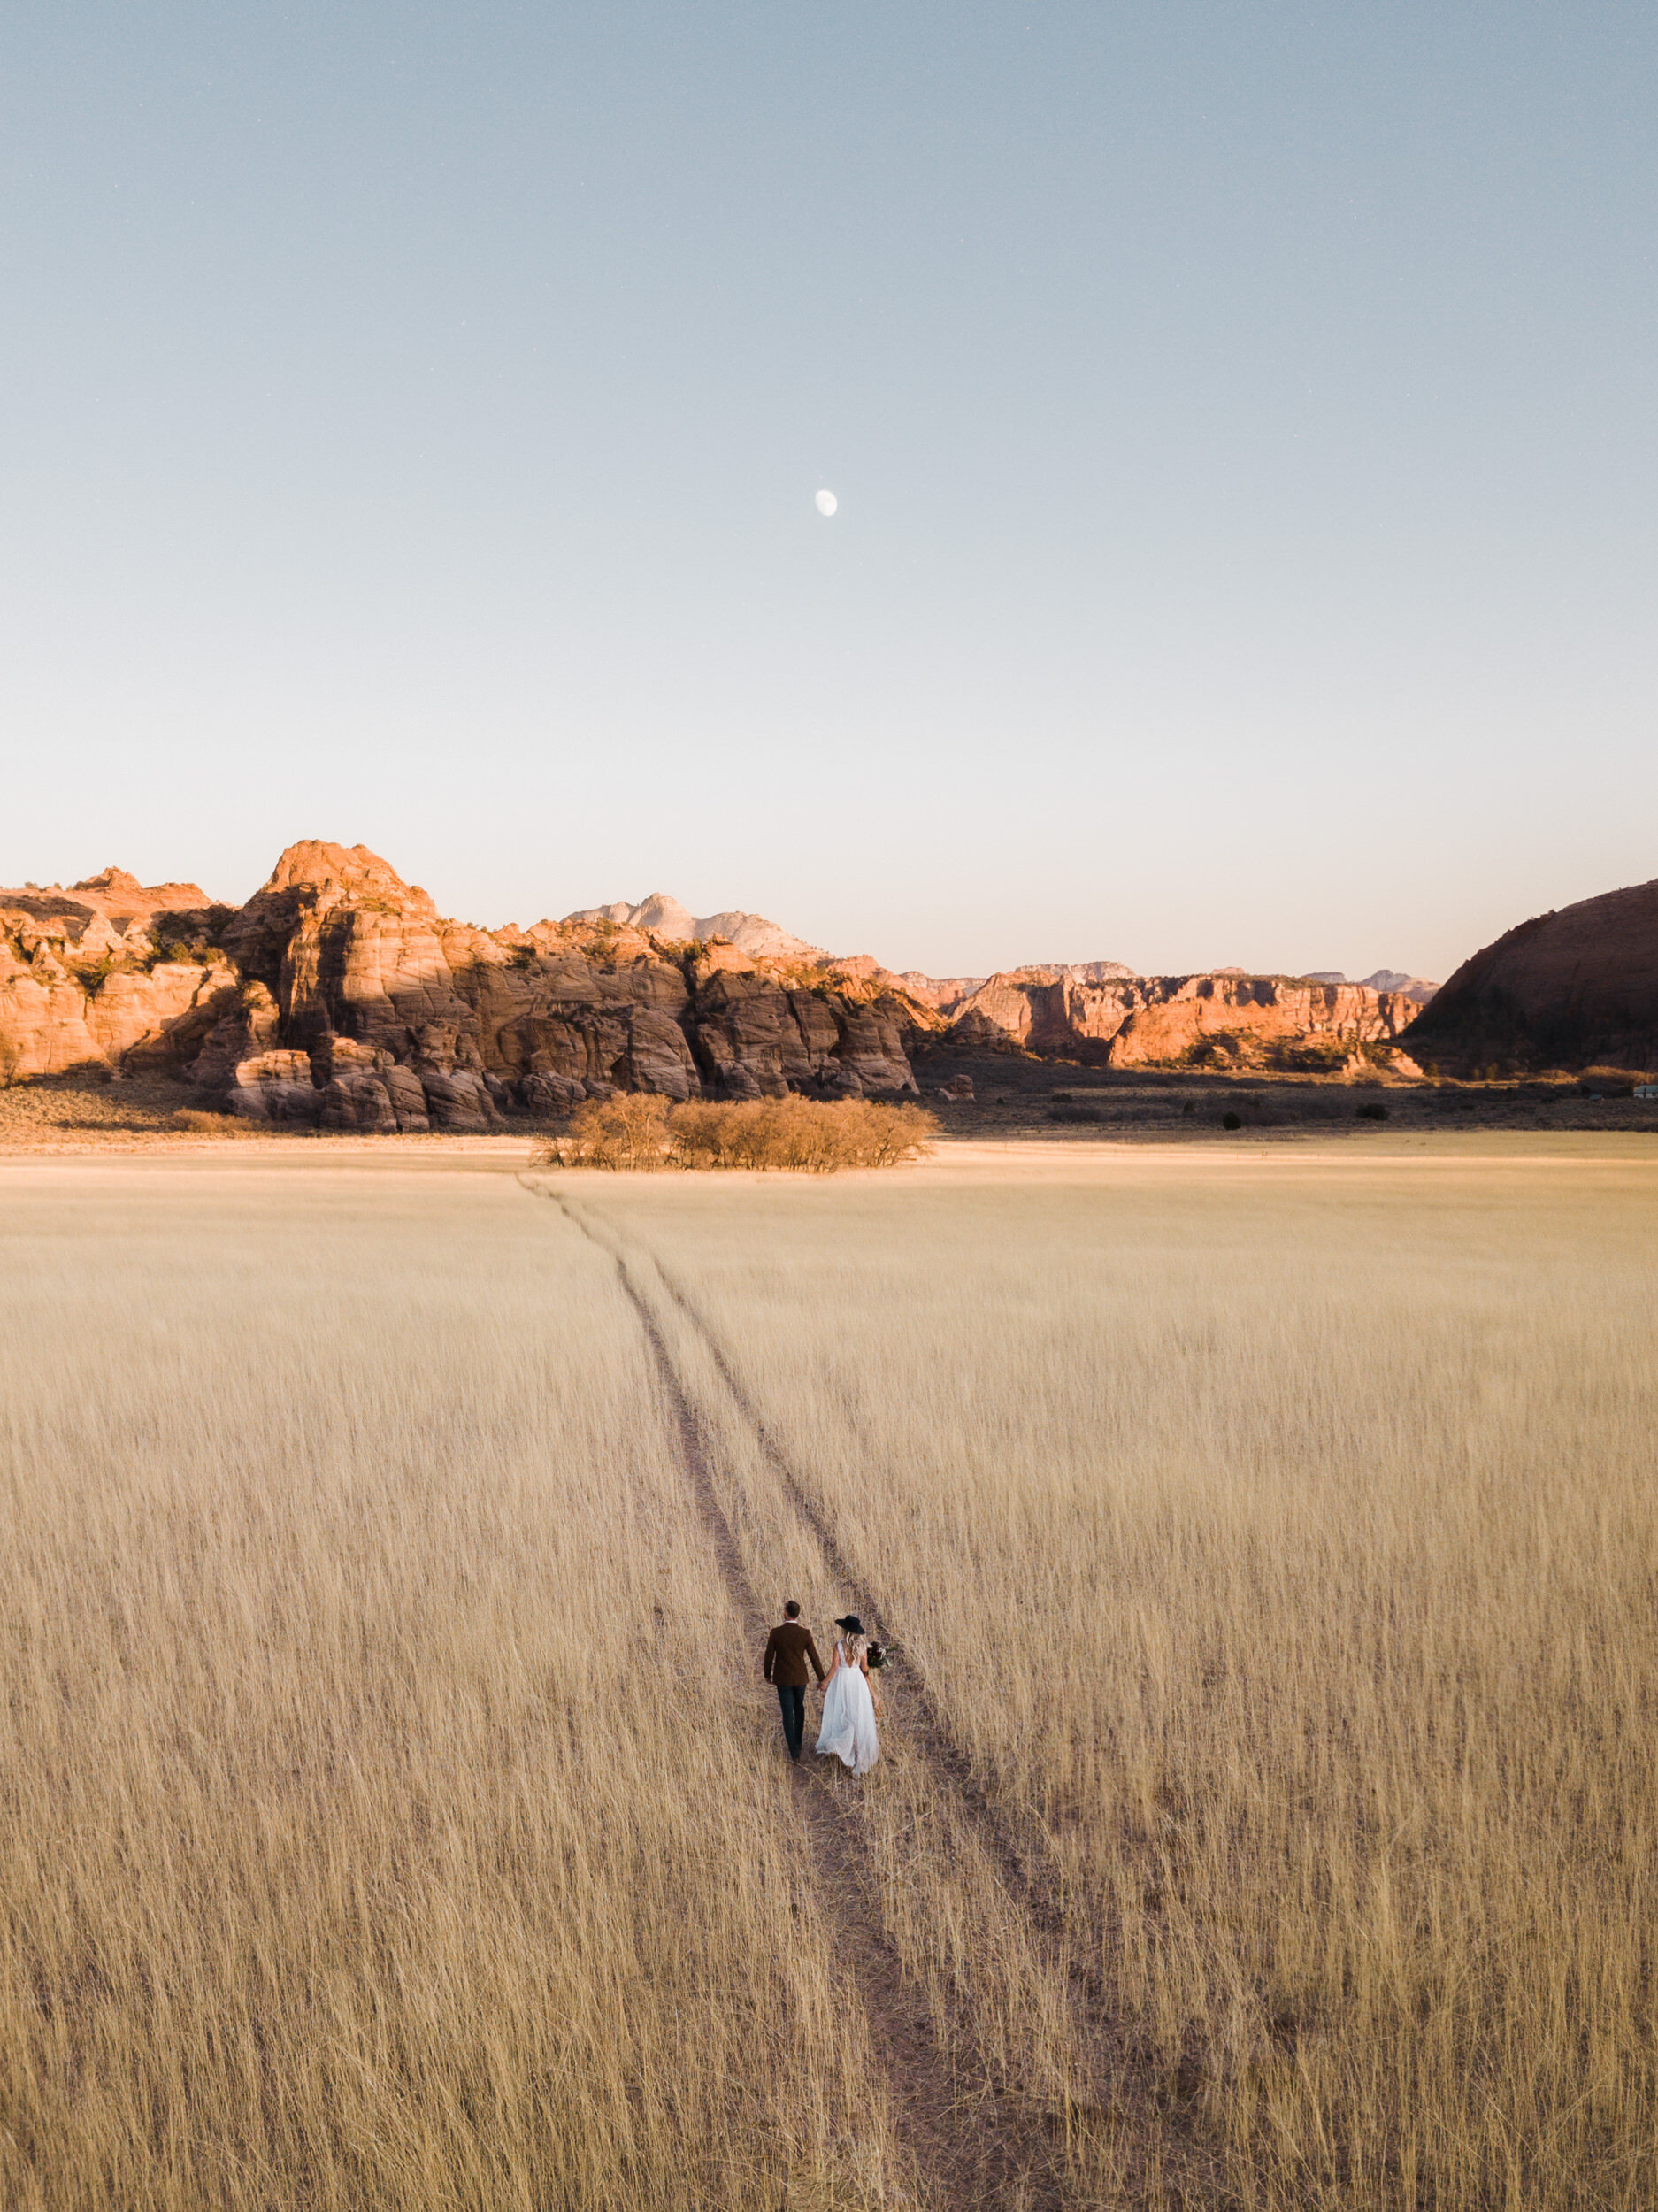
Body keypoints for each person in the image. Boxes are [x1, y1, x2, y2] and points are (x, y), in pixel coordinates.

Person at [815, 1613, 880, 1777]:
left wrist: (824, 1683)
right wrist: (872, 1693)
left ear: (845, 1630)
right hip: (857, 1683)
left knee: (842, 1714)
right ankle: (857, 1753)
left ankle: (844, 1747)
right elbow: (865, 1672)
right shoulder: (862, 1648)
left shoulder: (838, 1646)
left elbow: (834, 1668)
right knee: (858, 1716)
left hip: (842, 1682)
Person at [763, 1600, 825, 1763]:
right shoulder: (805, 1634)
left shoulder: (776, 1633)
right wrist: (822, 1679)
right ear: (798, 1614)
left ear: (786, 1613)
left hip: (782, 1679)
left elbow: (769, 1656)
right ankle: (798, 1742)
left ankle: (794, 1752)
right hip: (800, 1679)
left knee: (787, 1714)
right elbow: (814, 1658)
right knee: (799, 1709)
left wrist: (767, 1675)